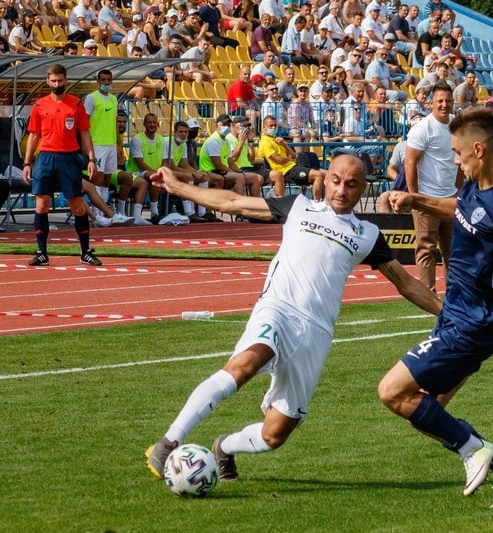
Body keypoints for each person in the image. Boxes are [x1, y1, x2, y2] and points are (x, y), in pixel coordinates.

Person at [145, 153, 443, 482]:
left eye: (351, 184)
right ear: (325, 179)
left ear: (362, 190)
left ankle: (225, 447)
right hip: (278, 308)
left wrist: (448, 314)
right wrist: (176, 185)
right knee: (243, 367)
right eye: (336, 180)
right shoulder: (297, 206)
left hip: (315, 334)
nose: (341, 189)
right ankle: (169, 440)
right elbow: (232, 201)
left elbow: (405, 283)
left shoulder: (368, 235)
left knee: (275, 434)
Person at [379, 107, 493, 508]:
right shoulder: (476, 186)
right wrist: (416, 199)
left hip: (473, 324)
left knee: (392, 391)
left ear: (478, 149)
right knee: (430, 412)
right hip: (454, 315)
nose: (455, 161)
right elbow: (459, 211)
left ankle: (477, 451)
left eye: (458, 154)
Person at [22, 64, 102, 266]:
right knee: (42, 204)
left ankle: (85, 251)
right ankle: (41, 252)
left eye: (60, 80)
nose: (56, 84)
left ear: (66, 81)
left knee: (77, 206)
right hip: (46, 157)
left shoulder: (76, 104)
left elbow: (85, 133)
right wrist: (27, 162)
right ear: (48, 81)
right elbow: (33, 135)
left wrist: (91, 159)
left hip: (69, 158)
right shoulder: (39, 105)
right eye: (53, 81)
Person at [405, 80, 462, 292]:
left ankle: (454, 291)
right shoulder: (423, 128)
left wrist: (458, 190)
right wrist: (415, 197)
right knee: (426, 248)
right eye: (440, 101)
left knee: (453, 249)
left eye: (448, 100)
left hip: (450, 199)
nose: (444, 104)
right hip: (427, 198)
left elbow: (460, 160)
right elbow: (410, 162)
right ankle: (427, 292)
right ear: (431, 103)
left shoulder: (457, 125)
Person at [82, 69, 136, 226]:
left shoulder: (113, 99)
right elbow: (84, 123)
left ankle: (105, 213)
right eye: (103, 80)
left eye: (109, 80)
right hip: (97, 144)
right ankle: (98, 214)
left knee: (106, 178)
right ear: (98, 81)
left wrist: (118, 144)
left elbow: (113, 124)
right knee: (97, 177)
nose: (106, 83)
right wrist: (87, 146)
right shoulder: (92, 98)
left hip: (110, 144)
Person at [257, 114, 325, 199]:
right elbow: (279, 160)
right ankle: (317, 203)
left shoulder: (277, 140)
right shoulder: (265, 142)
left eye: (275, 125)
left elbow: (293, 155)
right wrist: (289, 159)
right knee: (318, 175)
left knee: (326, 174)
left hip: (293, 167)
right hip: (286, 171)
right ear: (264, 127)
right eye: (271, 126)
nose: (274, 128)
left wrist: (285, 144)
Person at [199, 114, 262, 200]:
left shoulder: (225, 141)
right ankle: (239, 208)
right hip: (211, 171)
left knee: (254, 177)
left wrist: (240, 172)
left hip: (223, 171)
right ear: (216, 125)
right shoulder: (213, 141)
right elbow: (218, 165)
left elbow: (231, 162)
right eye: (224, 125)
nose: (226, 127)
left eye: (228, 125)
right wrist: (235, 173)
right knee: (239, 177)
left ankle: (255, 207)